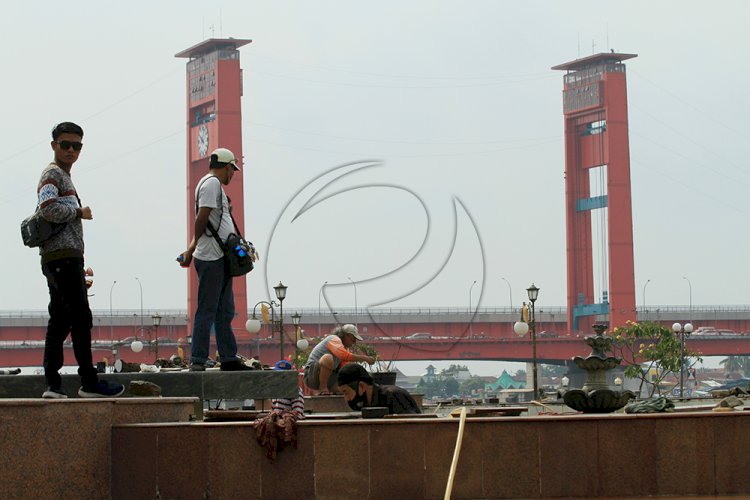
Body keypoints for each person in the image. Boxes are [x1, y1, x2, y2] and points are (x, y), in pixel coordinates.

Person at [37, 122, 125, 398]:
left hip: (62, 258)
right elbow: (47, 208)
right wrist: (78, 212)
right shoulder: (53, 174)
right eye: (66, 145)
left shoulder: (62, 175)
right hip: (62, 259)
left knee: (61, 321)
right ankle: (89, 382)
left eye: (77, 146)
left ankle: (53, 385)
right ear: (54, 145)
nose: (72, 150)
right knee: (80, 319)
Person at [178, 148, 251, 371]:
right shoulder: (211, 184)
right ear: (227, 166)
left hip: (219, 256)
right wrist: (192, 248)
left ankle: (228, 357)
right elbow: (201, 218)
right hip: (211, 257)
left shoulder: (212, 186)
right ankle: (198, 360)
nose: (233, 174)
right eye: (232, 169)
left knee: (224, 310)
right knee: (208, 310)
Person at [302, 324, 374, 394]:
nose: (354, 342)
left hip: (328, 378)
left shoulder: (344, 348)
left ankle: (333, 389)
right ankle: (322, 388)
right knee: (328, 358)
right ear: (346, 335)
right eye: (353, 338)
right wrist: (365, 358)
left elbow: (344, 368)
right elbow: (344, 355)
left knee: (345, 374)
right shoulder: (334, 339)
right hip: (311, 375)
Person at [337, 363, 421, 414]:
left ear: (361, 386)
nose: (346, 399)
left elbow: (412, 429)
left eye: (346, 392)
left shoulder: (394, 396)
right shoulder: (365, 405)